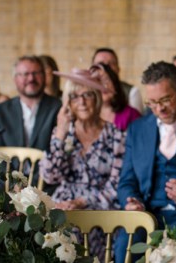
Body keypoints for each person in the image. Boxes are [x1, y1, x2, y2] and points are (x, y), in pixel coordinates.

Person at [39, 68, 126, 258]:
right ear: (67, 102)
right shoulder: (63, 133)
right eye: (75, 96)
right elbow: (50, 176)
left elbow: (116, 187)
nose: (82, 102)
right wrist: (60, 134)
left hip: (99, 207)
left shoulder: (116, 136)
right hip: (64, 205)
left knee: (77, 231)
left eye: (88, 95)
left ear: (97, 97)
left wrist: (81, 202)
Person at [115, 61, 176, 263]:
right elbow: (126, 181)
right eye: (152, 103)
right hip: (148, 215)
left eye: (165, 100)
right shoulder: (138, 129)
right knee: (125, 243)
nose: (159, 109)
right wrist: (130, 200)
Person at [0, 56, 61, 151]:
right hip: (8, 166)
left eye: (36, 73)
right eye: (25, 74)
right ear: (15, 78)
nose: (31, 78)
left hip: (46, 165)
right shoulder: (0, 112)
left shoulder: (58, 107)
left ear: (44, 76)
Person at [89, 63, 141, 132]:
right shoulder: (86, 114)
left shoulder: (131, 114)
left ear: (115, 84)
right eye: (98, 81)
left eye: (107, 79)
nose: (105, 86)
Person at [91, 48, 144, 113]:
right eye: (100, 64)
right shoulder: (85, 91)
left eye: (111, 64)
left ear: (118, 69)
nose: (105, 68)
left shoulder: (131, 92)